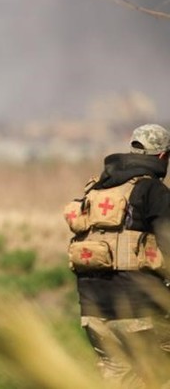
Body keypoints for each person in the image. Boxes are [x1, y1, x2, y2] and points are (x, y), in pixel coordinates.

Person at [64, 123, 170, 388]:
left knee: (118, 378)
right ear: (162, 157)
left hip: (93, 313)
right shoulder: (151, 190)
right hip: (139, 311)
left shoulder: (96, 189)